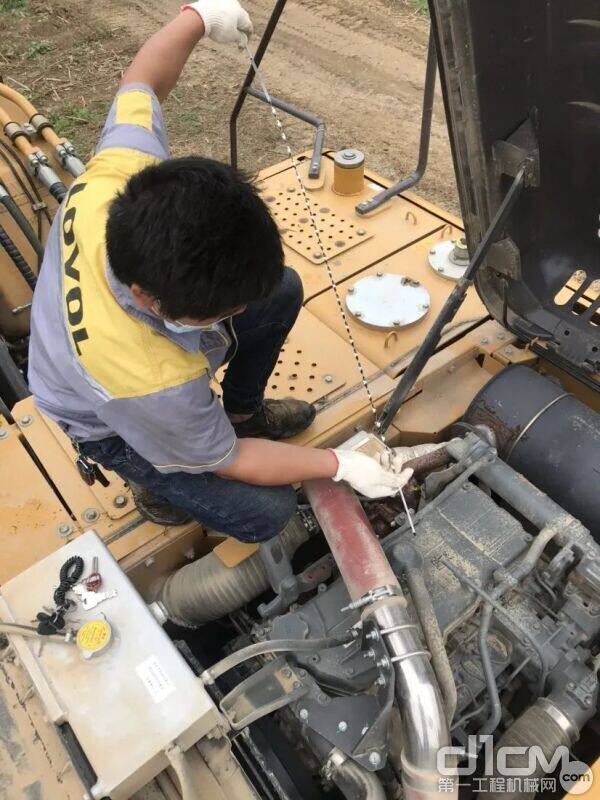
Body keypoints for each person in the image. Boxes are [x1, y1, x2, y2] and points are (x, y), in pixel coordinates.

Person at [28, 0, 412, 541]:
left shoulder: (120, 175)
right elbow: (229, 461)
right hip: (100, 415)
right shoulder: (151, 381)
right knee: (264, 515)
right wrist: (340, 465)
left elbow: (141, 81)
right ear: (148, 298)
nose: (238, 313)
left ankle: (242, 411)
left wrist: (197, 18)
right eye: (226, 310)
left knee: (280, 291)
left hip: (110, 359)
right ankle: (154, 479)